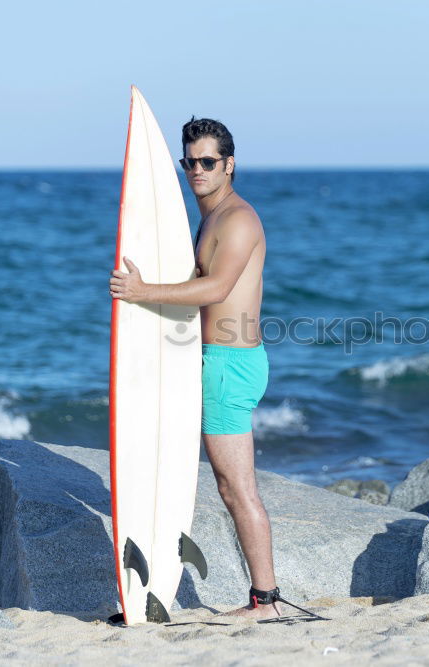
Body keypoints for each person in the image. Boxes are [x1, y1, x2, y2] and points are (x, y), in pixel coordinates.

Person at [108, 117, 282, 620]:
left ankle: (266, 601)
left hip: (230, 364)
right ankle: (257, 597)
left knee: (236, 487)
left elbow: (217, 289)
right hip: (211, 360)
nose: (197, 170)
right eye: (191, 162)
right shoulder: (210, 218)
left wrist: (143, 294)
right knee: (230, 485)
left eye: (208, 162)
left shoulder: (238, 220)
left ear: (230, 165)